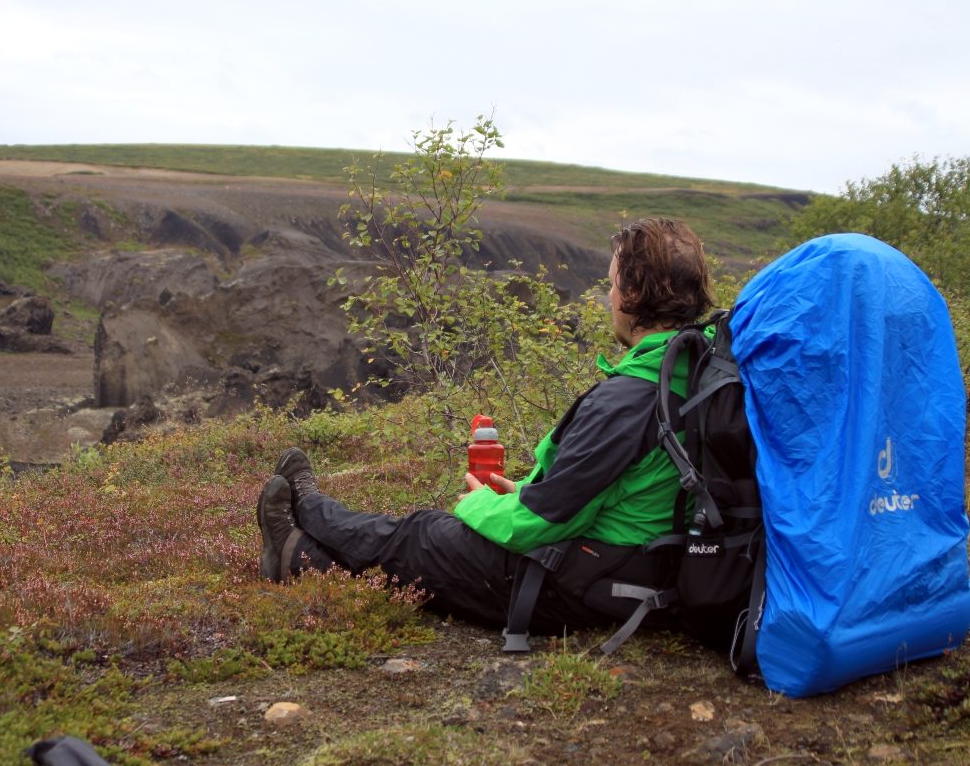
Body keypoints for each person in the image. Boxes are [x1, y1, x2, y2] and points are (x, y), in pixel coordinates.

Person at [256, 218, 715, 632]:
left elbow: (538, 523)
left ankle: (307, 512)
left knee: (424, 534)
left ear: (632, 295)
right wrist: (526, 492)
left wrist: (476, 506)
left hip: (591, 582)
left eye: (613, 285)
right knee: (423, 545)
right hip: (636, 568)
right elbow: (621, 489)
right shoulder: (693, 373)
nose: (609, 297)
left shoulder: (628, 399)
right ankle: (296, 550)